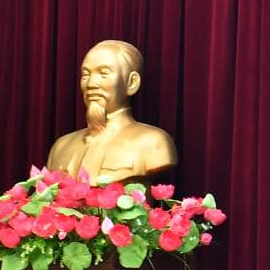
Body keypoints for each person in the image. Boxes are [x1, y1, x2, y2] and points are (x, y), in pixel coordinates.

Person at [45, 40, 178, 184]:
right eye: (86, 75)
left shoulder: (153, 142)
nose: (91, 84)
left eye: (103, 73)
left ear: (132, 83)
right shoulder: (61, 146)